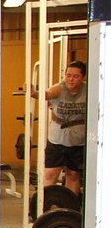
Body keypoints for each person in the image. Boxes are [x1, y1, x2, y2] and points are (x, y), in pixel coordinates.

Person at [34, 60, 87, 196]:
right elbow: (46, 94)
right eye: (68, 75)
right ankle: (44, 206)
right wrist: (33, 92)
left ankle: (70, 208)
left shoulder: (88, 90)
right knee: (50, 173)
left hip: (78, 141)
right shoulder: (59, 88)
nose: (71, 79)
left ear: (83, 77)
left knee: (73, 175)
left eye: (75, 76)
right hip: (57, 139)